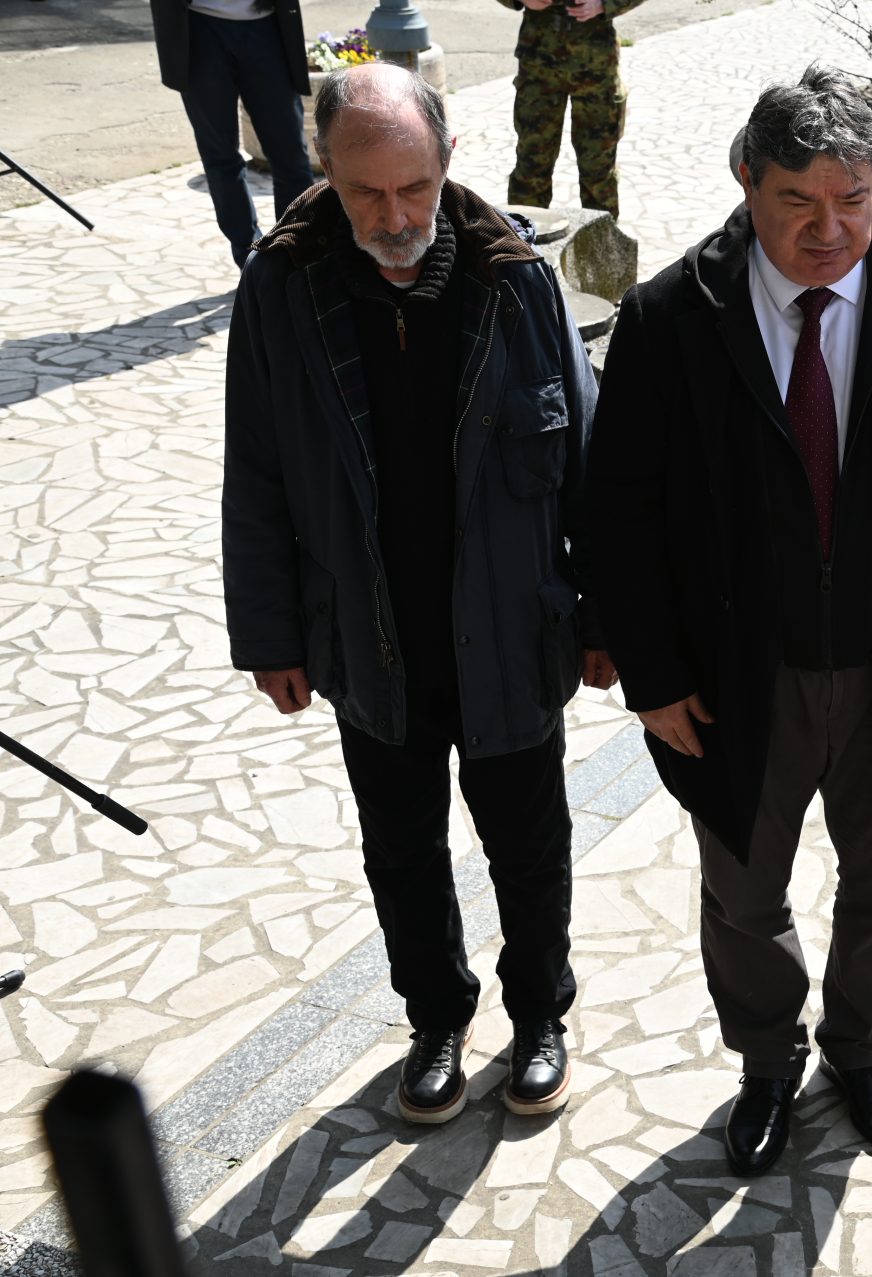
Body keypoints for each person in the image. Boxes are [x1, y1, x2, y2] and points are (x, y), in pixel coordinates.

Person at [588, 66, 872, 1177]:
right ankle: (767, 1058)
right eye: (798, 201)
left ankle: (861, 1050)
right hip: (739, 673)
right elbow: (619, 510)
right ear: (746, 180)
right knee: (743, 887)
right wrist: (653, 672)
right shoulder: (671, 317)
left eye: (855, 200)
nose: (830, 230)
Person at [222, 63, 614, 1125]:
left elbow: (589, 461)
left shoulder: (516, 281)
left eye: (415, 188)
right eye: (366, 193)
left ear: (447, 162)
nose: (395, 218)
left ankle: (539, 1014)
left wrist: (605, 617)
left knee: (529, 845)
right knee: (401, 850)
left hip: (511, 625)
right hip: (368, 633)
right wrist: (269, 634)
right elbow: (255, 473)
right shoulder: (282, 289)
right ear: (323, 170)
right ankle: (436, 1015)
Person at [149, 0, 316, 267]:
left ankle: (297, 254)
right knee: (221, 158)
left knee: (291, 156)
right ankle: (250, 260)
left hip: (266, 24)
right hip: (197, 27)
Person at [497, 0, 640, 218]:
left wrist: (605, 4)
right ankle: (523, 237)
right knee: (532, 165)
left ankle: (601, 238)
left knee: (598, 170)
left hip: (595, 64)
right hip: (538, 62)